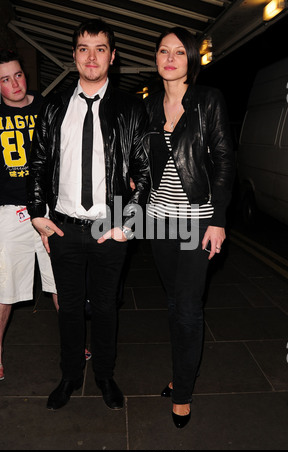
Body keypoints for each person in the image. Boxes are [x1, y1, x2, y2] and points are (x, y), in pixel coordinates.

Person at [26, 19, 150, 411]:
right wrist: (36, 213)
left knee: (106, 307)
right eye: (83, 48)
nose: (91, 56)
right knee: (68, 309)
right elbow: (39, 161)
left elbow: (146, 170)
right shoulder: (55, 105)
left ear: (112, 56)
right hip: (63, 225)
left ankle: (105, 377)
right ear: (74, 55)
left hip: (107, 226)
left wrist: (127, 224)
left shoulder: (131, 107)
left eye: (100, 48)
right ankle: (69, 376)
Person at [145, 27, 235, 428]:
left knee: (186, 307)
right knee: (172, 302)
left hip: (196, 220)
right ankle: (181, 372)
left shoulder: (207, 101)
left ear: (190, 60)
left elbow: (224, 162)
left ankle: (183, 392)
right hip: (158, 220)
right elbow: (141, 159)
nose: (169, 57)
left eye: (179, 51)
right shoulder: (149, 105)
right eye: (163, 51)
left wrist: (217, 220)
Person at [0, 49, 58, 381]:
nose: (15, 83)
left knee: (61, 285)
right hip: (11, 213)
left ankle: (74, 347)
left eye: (18, 75)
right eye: (5, 80)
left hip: (50, 209)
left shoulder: (47, 107)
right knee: (4, 292)